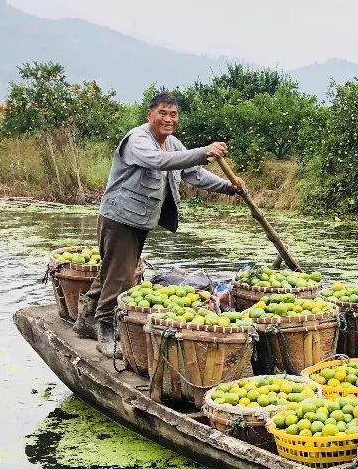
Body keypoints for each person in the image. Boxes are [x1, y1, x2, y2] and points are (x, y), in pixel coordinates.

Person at [75, 91, 242, 355]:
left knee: (113, 270)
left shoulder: (173, 143)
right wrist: (203, 151)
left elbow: (192, 173)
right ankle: (105, 330)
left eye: (173, 114)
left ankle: (85, 321)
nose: (168, 119)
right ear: (149, 115)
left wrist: (227, 187)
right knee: (120, 277)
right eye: (162, 113)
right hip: (120, 218)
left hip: (141, 220)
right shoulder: (138, 140)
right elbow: (158, 161)